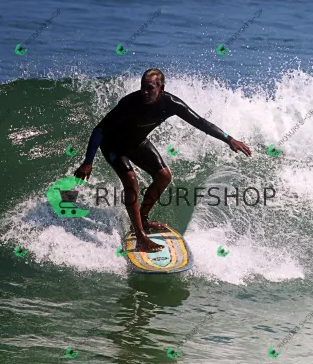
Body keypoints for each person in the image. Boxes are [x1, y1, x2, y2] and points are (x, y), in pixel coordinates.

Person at [74, 69, 252, 253]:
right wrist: (88, 161)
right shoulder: (129, 103)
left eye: (150, 88)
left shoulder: (171, 103)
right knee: (131, 180)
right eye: (143, 87)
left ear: (161, 88)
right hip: (113, 145)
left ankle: (142, 219)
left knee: (164, 176)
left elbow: (200, 122)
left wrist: (228, 139)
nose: (145, 92)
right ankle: (140, 237)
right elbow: (100, 129)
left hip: (137, 143)